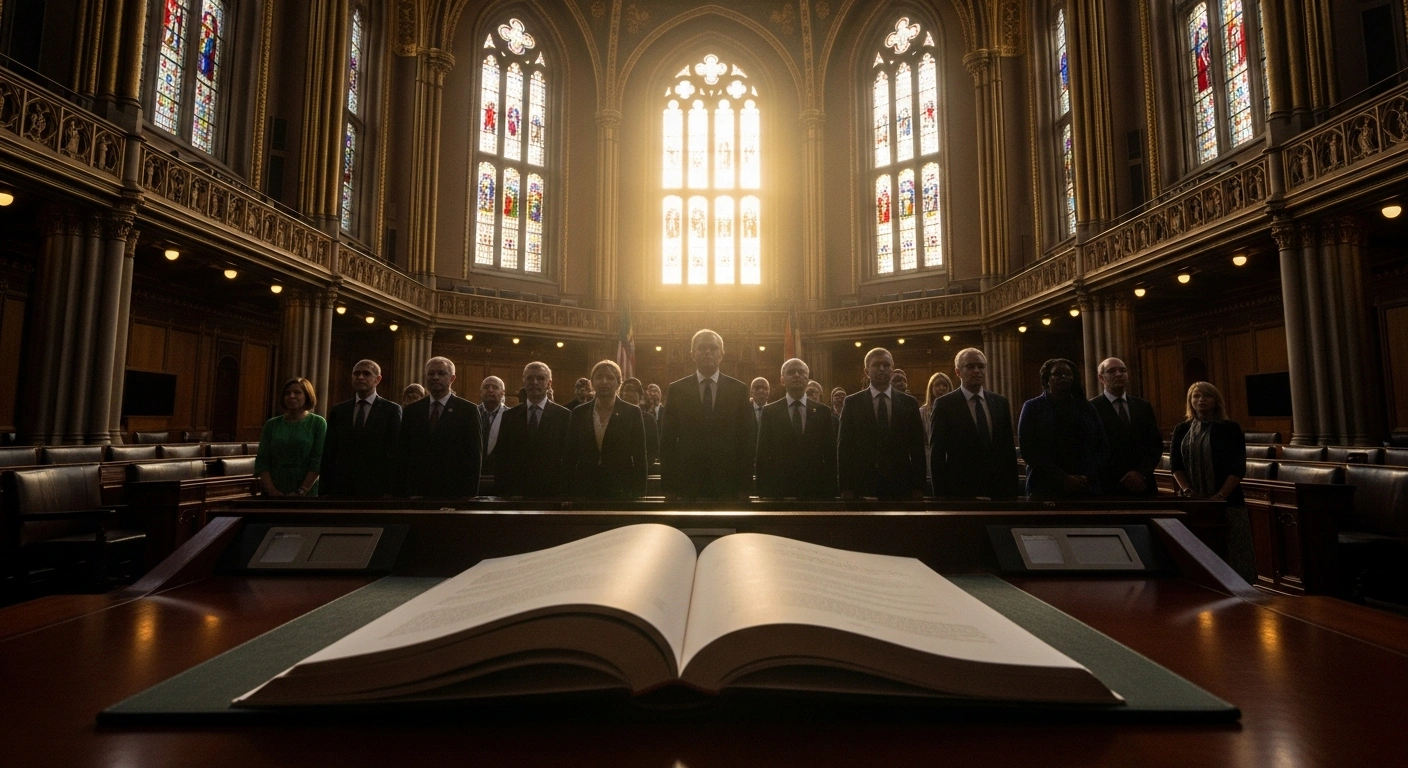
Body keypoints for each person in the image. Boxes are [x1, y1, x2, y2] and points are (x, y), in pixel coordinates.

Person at [1170, 381, 1253, 582]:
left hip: (1227, 501)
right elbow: (1176, 465)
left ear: (1216, 400)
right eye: (1196, 396)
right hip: (1194, 501)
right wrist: (1188, 491)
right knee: (1198, 552)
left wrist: (1220, 496)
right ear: (1190, 401)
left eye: (1206, 396)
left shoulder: (1230, 428)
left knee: (1233, 549)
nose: (1201, 400)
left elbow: (1237, 467)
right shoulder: (1182, 429)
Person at [658, 329, 755, 499]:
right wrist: (668, 487)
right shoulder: (677, 389)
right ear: (692, 354)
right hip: (687, 479)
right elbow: (668, 441)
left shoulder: (739, 390)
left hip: (728, 479)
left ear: (722, 354)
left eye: (713, 348)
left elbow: (746, 440)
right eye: (701, 348)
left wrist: (745, 486)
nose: (708, 352)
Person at [837, 347, 927, 499]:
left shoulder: (909, 403)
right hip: (863, 483)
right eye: (876, 365)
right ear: (866, 371)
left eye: (886, 365)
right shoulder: (852, 402)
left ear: (892, 369)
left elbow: (917, 448)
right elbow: (844, 447)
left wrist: (919, 486)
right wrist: (845, 487)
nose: (882, 369)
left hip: (901, 483)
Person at [929, 348, 1018, 499]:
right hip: (960, 491)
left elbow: (1008, 451)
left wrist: (1012, 491)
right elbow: (937, 454)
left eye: (981, 366)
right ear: (958, 372)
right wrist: (941, 496)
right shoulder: (944, 404)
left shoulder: (1000, 403)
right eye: (970, 367)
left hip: (998, 491)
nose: (977, 371)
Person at [1017, 359, 1108, 498]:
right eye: (1057, 374)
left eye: (1068, 374)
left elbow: (1102, 446)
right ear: (1047, 379)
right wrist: (1063, 478)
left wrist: (1087, 476)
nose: (1064, 377)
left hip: (1085, 486)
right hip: (1045, 486)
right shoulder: (1033, 407)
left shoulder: (1086, 407)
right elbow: (1028, 450)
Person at [393, 356, 481, 498]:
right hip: (417, 492)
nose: (435, 377)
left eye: (441, 373)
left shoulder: (468, 410)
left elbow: (473, 458)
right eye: (431, 373)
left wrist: (469, 496)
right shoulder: (412, 411)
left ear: (452, 378)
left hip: (453, 492)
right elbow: (403, 454)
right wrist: (401, 492)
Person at [755, 358, 837, 499]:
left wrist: (831, 489)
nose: (797, 375)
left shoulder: (823, 411)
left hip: (816, 490)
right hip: (779, 490)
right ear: (782, 380)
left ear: (808, 378)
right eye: (791, 372)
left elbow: (830, 454)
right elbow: (762, 454)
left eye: (801, 372)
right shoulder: (770, 411)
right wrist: (763, 491)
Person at [320, 360, 402, 498]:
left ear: (378, 379)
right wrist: (324, 490)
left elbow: (395, 453)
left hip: (376, 487)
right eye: (356, 373)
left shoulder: (391, 410)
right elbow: (329, 451)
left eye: (366, 374)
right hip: (341, 487)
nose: (360, 377)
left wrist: (392, 490)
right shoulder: (339, 410)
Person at [566, 360, 648, 498]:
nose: (604, 382)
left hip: (621, 489)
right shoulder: (579, 412)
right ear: (592, 382)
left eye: (610, 378)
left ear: (618, 382)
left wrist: (639, 493)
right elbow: (570, 454)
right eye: (599, 377)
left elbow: (640, 456)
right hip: (585, 488)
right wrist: (567, 491)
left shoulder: (632, 412)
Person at [495, 362, 573, 498]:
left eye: (540, 378)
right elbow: (502, 457)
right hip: (516, 493)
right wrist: (504, 492)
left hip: (552, 493)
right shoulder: (510, 416)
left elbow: (568, 458)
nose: (534, 382)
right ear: (523, 382)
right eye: (530, 378)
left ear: (549, 383)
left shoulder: (564, 416)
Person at [1091, 358, 1163, 497]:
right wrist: (1122, 476)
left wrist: (1141, 473)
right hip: (1109, 486)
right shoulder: (1092, 408)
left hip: (1143, 485)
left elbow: (1155, 444)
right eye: (1111, 371)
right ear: (1101, 378)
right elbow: (1093, 449)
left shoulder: (1142, 406)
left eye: (1122, 370)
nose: (1119, 374)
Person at [255, 377, 327, 497]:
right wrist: (272, 490)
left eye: (297, 392)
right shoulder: (272, 424)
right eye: (287, 393)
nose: (291, 396)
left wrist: (302, 491)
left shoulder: (318, 423)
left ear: (307, 395)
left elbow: (317, 461)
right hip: (275, 488)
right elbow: (263, 460)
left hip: (306, 491)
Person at [919, 372, 954, 481]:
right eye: (937, 385)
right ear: (931, 388)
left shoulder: (956, 410)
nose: (941, 388)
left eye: (945, 385)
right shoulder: (922, 412)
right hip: (929, 458)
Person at [619, 377, 659, 467]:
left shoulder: (649, 419)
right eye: (626, 390)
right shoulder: (614, 417)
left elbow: (654, 448)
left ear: (640, 396)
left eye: (633, 390)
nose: (629, 394)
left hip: (642, 467)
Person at [478, 376, 506, 476]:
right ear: (481, 392)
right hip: (475, 473)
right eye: (486, 387)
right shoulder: (472, 413)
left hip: (502, 474)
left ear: (503, 392)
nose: (490, 390)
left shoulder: (512, 416)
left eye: (494, 387)